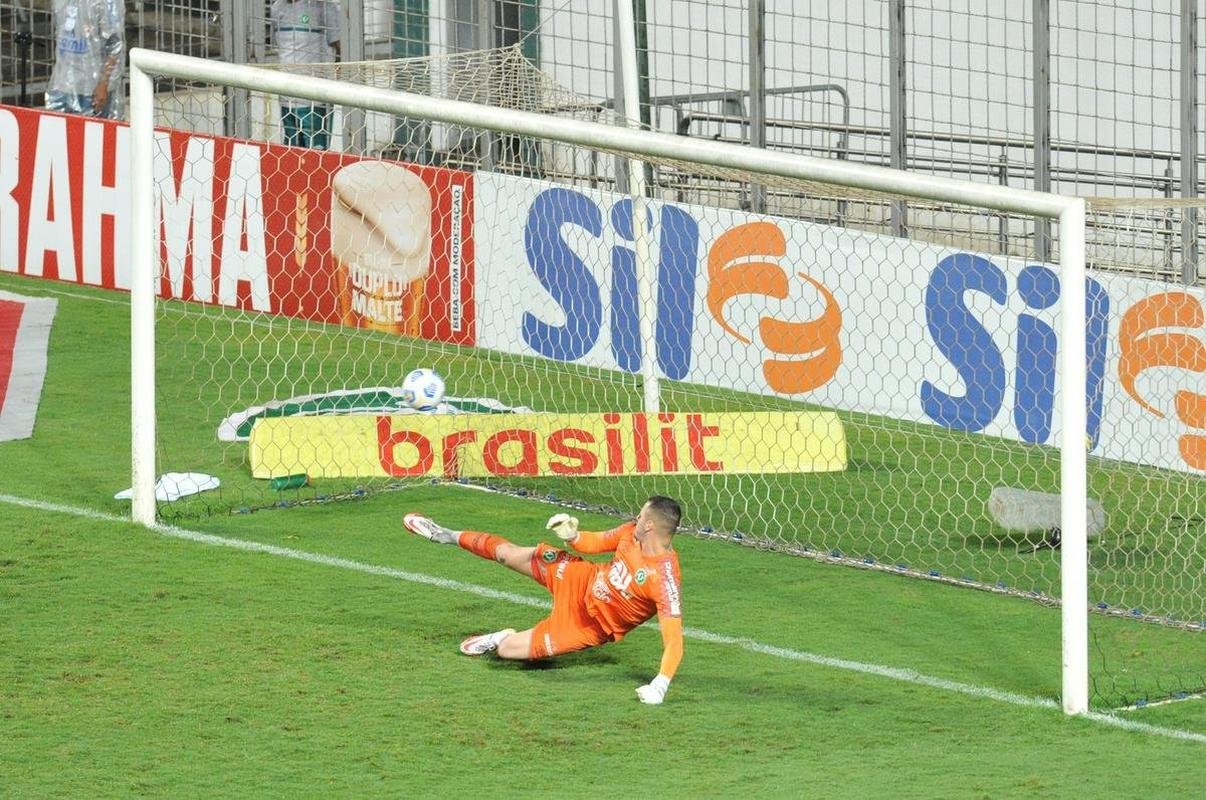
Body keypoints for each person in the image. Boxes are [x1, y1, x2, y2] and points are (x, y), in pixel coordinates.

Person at [404, 496, 685, 705]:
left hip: (586, 626)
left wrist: (659, 686)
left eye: (640, 515)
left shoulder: (665, 578)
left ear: (650, 525)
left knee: (507, 651)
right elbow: (596, 543)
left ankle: (501, 636)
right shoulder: (629, 533)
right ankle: (445, 535)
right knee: (506, 554)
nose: (635, 519)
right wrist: (573, 536)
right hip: (581, 579)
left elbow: (674, 641)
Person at [271, 0, 341, 149]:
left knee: (317, 155)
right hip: (286, 96)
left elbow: (340, 49)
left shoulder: (323, 8)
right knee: (292, 152)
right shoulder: (277, 7)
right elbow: (280, 47)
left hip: (315, 98)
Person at [46, 0, 125, 119]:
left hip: (91, 90)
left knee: (92, 134)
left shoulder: (107, 2)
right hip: (62, 85)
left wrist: (103, 83)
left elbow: (114, 45)